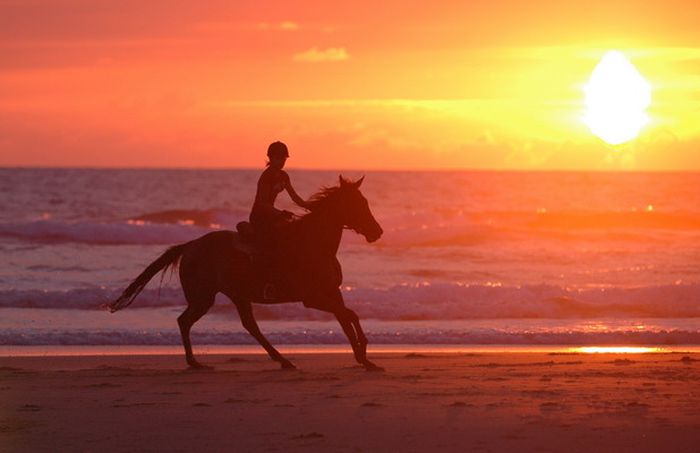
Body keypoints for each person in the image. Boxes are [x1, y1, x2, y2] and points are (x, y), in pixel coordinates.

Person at [248, 141, 310, 299]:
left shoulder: (284, 176)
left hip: (273, 216)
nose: (282, 161)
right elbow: (262, 204)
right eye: (279, 158)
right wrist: (280, 213)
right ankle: (267, 282)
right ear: (270, 158)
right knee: (274, 244)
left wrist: (312, 207)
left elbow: (295, 198)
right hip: (260, 217)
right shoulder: (266, 176)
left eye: (284, 159)